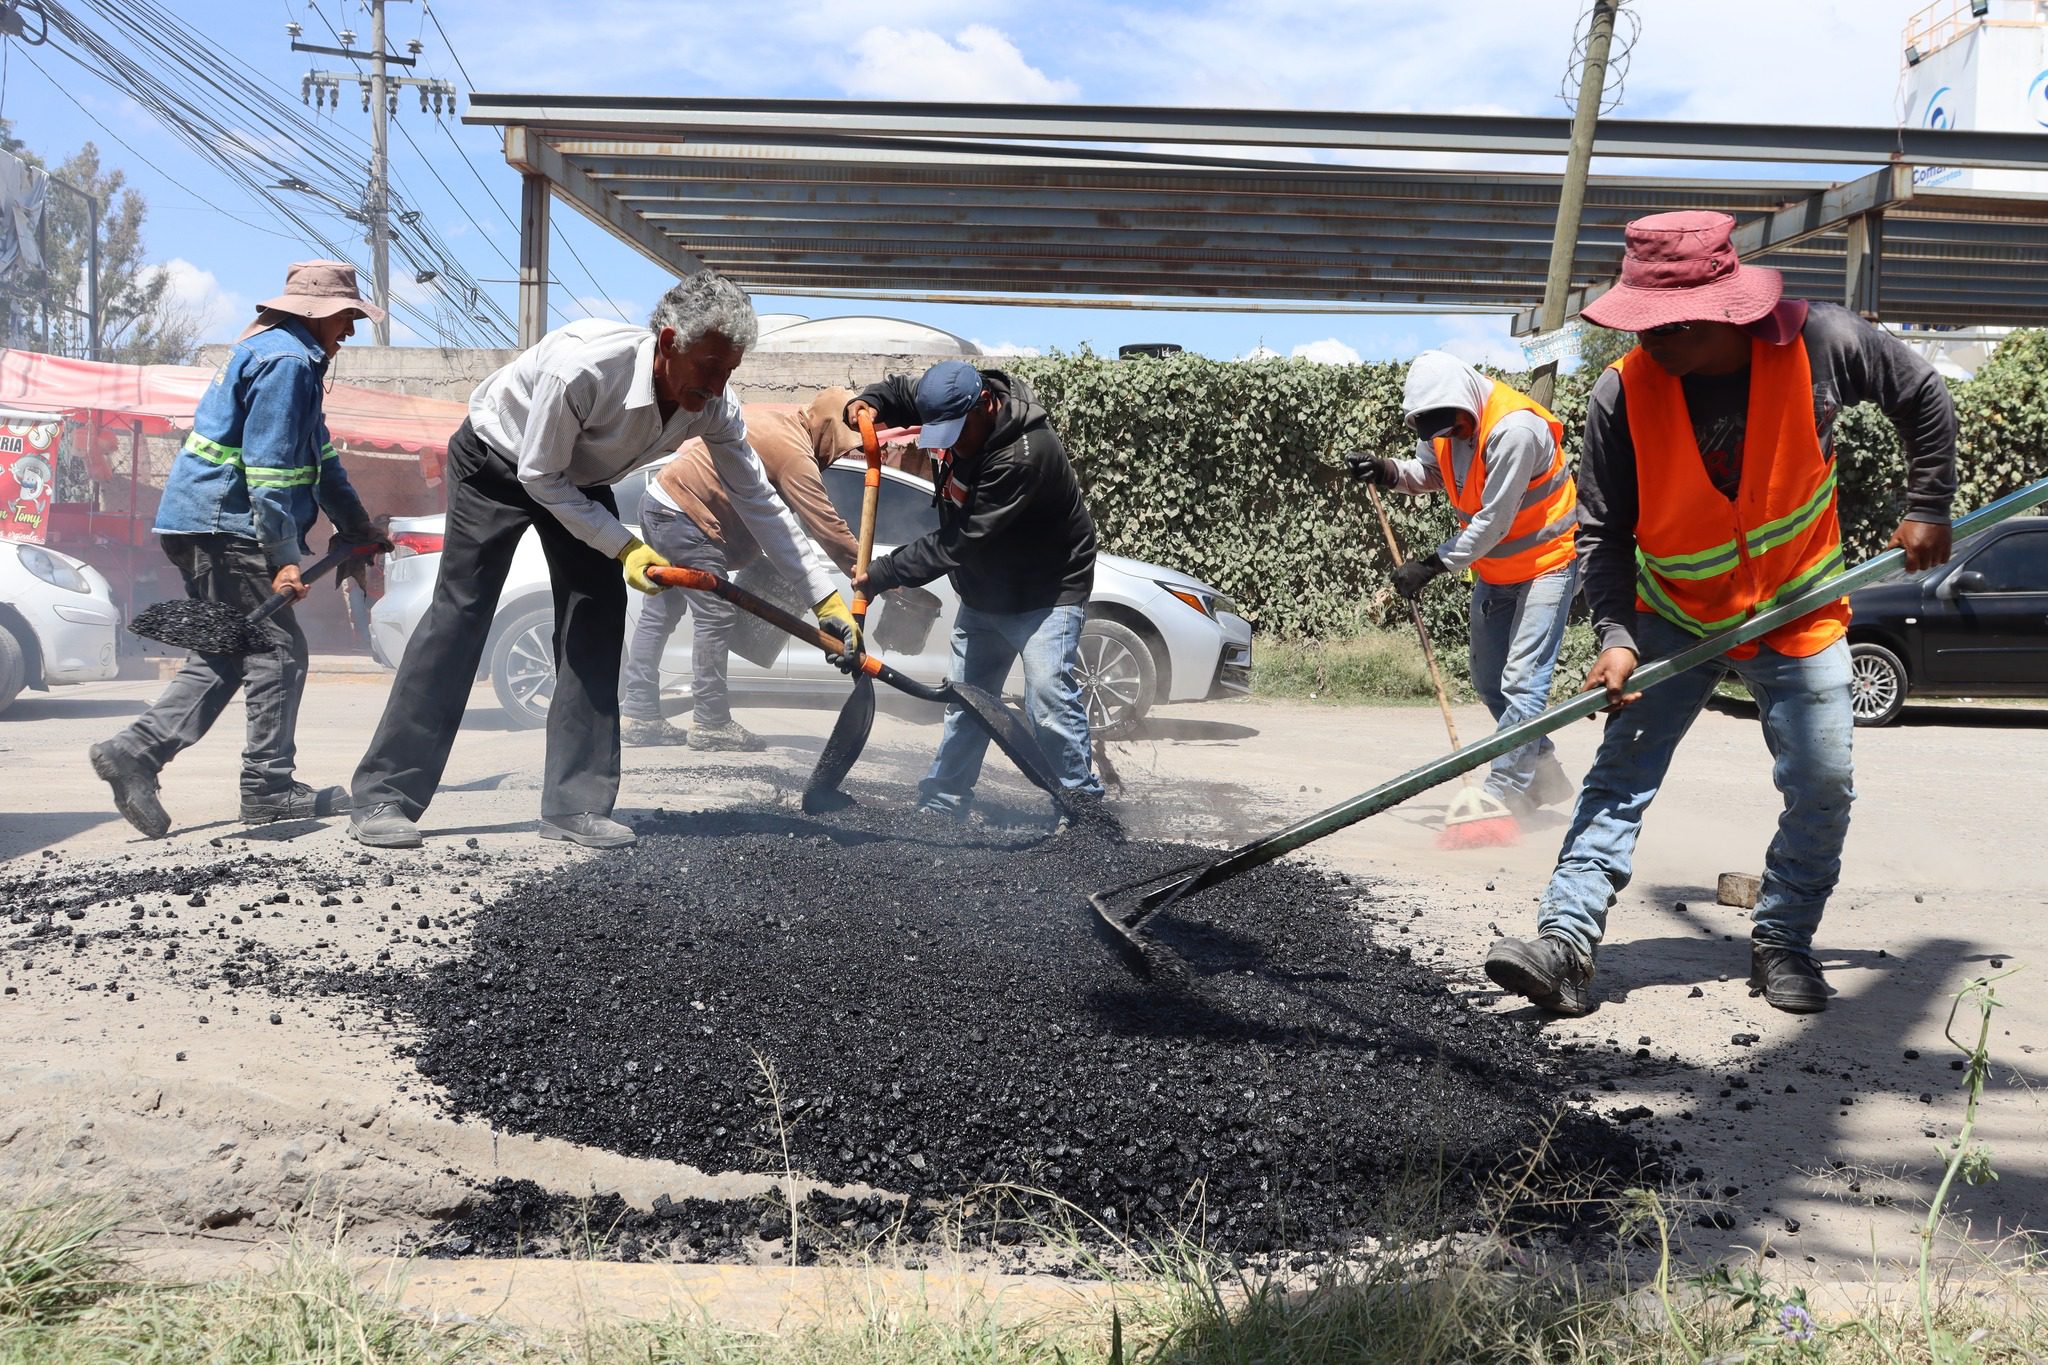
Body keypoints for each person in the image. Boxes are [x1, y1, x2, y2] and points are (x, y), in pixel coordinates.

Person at [1484, 210, 1956, 1018]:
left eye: (1664, 325)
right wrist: (1618, 635)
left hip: (1796, 607)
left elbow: (1921, 393)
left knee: (1823, 782)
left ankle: (1783, 940)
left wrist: (1928, 504)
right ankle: (1563, 944)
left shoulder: (1821, 344)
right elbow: (1603, 531)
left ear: (1723, 310)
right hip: (1675, 609)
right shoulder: (1620, 393)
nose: (1647, 340)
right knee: (1620, 776)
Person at [346, 273, 858, 851]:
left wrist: (824, 596)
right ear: (668, 343)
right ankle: (385, 795)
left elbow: (761, 502)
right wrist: (625, 546)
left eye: (729, 372)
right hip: (500, 461)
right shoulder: (586, 370)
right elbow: (539, 476)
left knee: (597, 617)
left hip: (581, 480)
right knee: (462, 614)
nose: (717, 385)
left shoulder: (717, 407)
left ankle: (576, 805)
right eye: (709, 366)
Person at [89, 260, 388, 838]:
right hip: (229, 528)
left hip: (204, 524)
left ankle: (135, 754)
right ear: (316, 314)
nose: (349, 331)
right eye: (346, 317)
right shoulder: (288, 363)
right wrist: (284, 559)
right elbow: (271, 471)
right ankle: (268, 789)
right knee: (276, 651)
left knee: (224, 651)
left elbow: (318, 458)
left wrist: (356, 524)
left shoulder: (283, 354)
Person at [845, 360, 1103, 818]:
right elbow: (902, 391)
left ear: (985, 404)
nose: (954, 445)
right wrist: (868, 401)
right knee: (966, 702)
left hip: (1047, 591)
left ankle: (1084, 809)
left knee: (1046, 701)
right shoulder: (947, 395)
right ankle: (943, 802)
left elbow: (960, 541)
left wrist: (885, 572)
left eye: (958, 432)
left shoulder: (1025, 455)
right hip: (986, 587)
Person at [1348, 350, 1581, 818]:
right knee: (1489, 680)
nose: (1448, 438)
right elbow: (1430, 473)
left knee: (1522, 682)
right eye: (1437, 432)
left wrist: (1431, 565)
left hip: (1548, 563)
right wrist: (1388, 470)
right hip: (1496, 569)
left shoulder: (1513, 429)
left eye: (1452, 427)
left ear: (1467, 403)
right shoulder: (1442, 420)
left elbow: (1494, 520)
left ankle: (1505, 791)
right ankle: (1543, 771)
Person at [621, 388, 864, 751]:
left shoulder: (781, 425)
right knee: (715, 616)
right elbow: (825, 525)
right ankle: (711, 722)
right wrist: (869, 574)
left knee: (661, 611)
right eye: (842, 445)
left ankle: (639, 714)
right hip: (687, 515)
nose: (840, 452)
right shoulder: (794, 454)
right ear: (829, 431)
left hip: (661, 503)